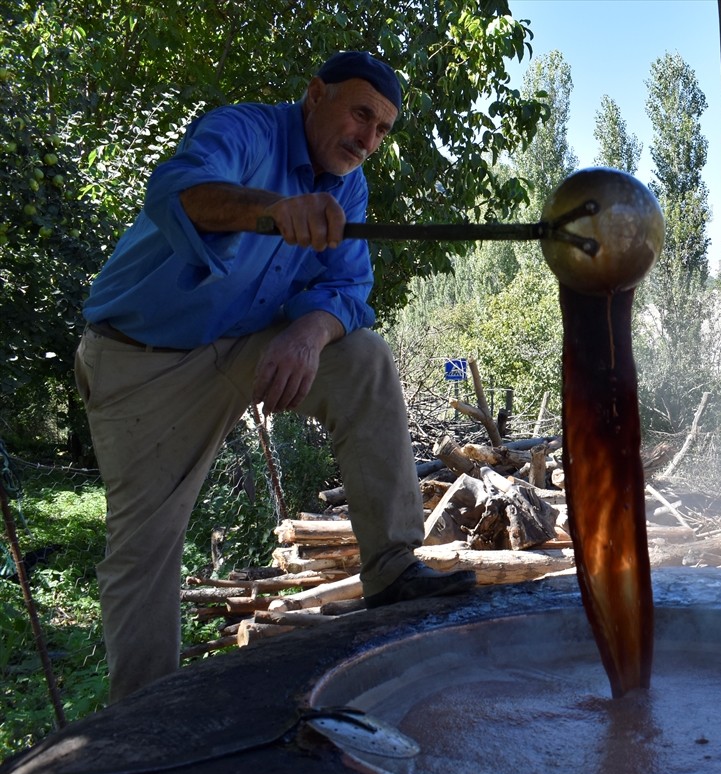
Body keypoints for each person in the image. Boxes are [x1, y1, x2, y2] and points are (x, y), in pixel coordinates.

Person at [75, 51, 476, 703]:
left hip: (238, 348)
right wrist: (266, 209)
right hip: (137, 361)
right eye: (360, 114)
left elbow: (348, 287)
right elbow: (176, 191)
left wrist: (309, 330)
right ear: (315, 94)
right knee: (144, 550)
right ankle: (143, 724)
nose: (368, 140)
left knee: (364, 356)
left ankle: (395, 570)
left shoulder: (349, 186)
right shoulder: (244, 131)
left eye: (382, 129)